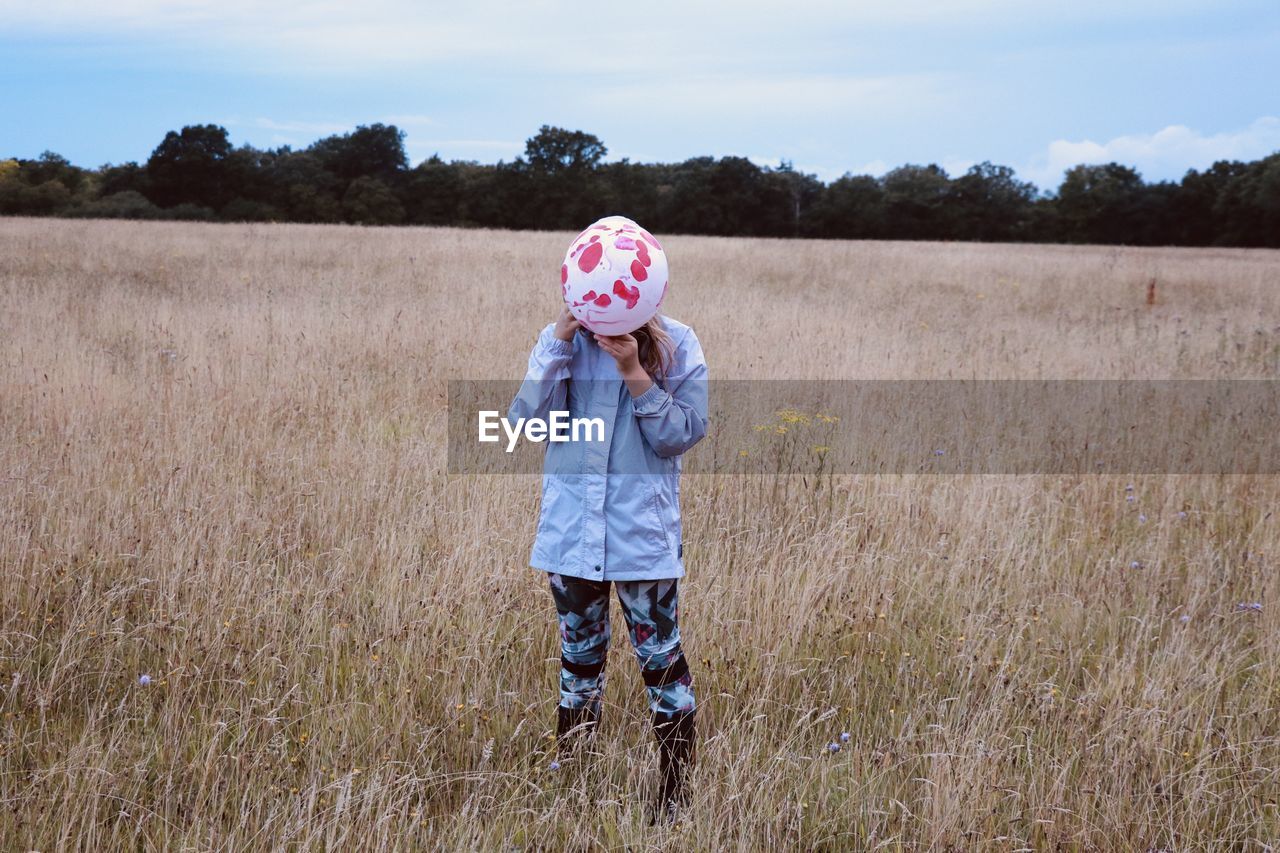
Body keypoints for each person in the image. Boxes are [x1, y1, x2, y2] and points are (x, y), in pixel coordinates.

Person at [508, 304, 709, 821]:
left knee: (662, 663)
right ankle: (573, 787)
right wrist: (555, 346)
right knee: (578, 662)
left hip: (641, 539)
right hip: (571, 535)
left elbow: (679, 435)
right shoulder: (562, 343)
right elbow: (523, 428)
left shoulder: (678, 342)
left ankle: (673, 799)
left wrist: (634, 371)